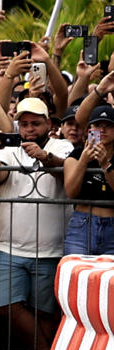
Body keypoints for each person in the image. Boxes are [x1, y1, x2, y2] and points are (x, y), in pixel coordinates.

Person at [0, 97, 71, 350]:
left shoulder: (61, 146)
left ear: (49, 124)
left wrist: (44, 156)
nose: (29, 129)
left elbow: (67, 175)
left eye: (36, 123)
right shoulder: (9, 149)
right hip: (10, 246)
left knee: (45, 313)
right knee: (4, 305)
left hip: (50, 248)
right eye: (24, 124)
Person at [61, 104, 114, 258]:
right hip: (82, 225)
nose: (102, 130)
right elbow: (71, 191)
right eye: (97, 125)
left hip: (112, 225)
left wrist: (105, 164)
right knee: (76, 274)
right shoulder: (77, 154)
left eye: (108, 126)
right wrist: (84, 161)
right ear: (89, 129)